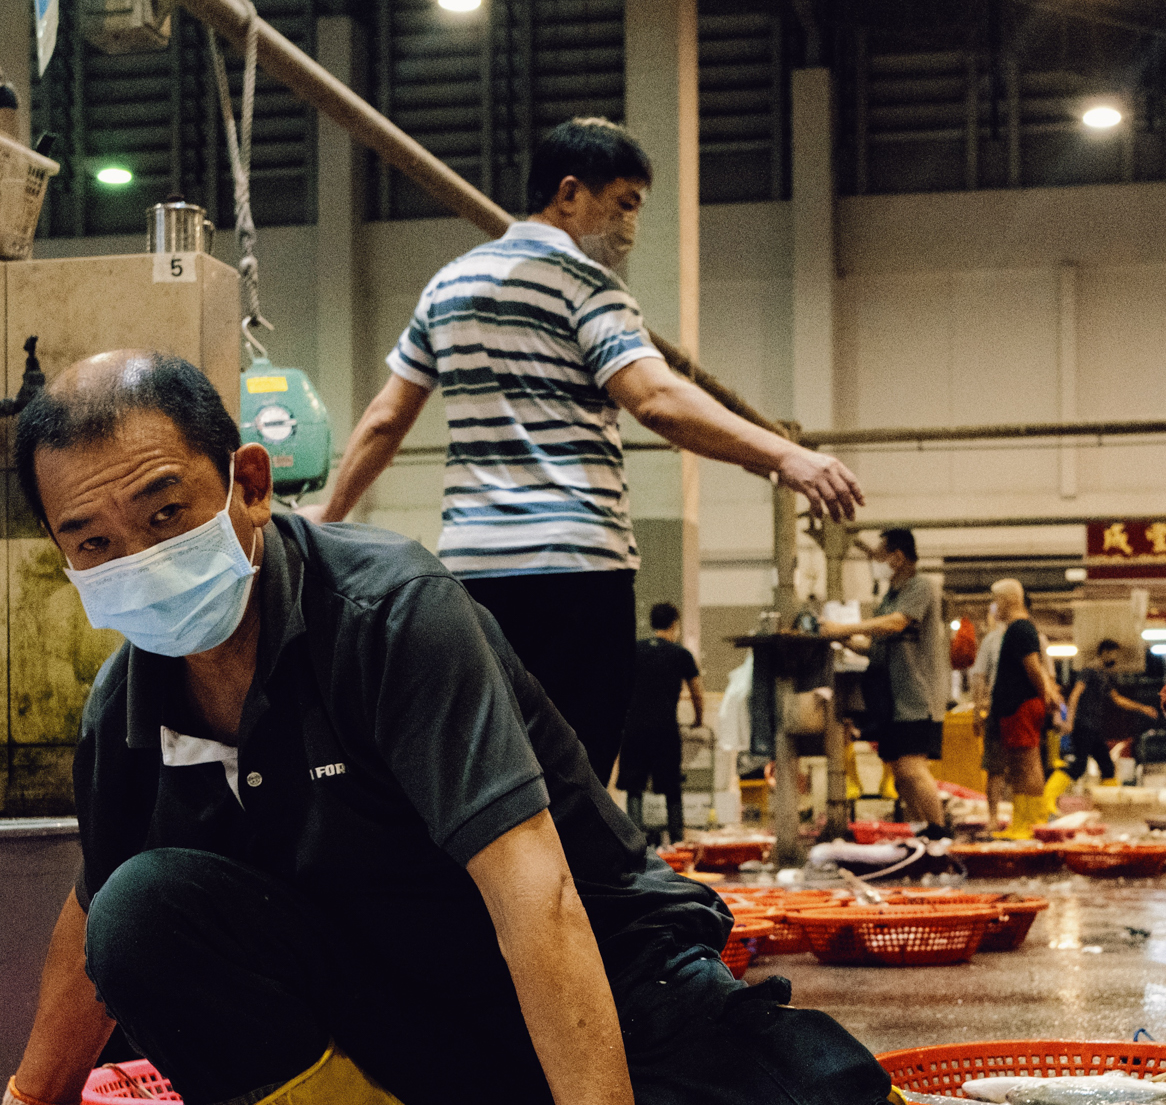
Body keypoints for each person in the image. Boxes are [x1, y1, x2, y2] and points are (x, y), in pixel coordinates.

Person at [0, 351, 981, 1105]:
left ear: (248, 484)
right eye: (95, 541)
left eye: (165, 514)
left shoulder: (389, 616)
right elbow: (93, 927)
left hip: (617, 993)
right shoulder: (127, 704)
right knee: (142, 909)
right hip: (412, 1027)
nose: (140, 557)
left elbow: (535, 895)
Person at [310, 117, 863, 781]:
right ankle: (577, 888)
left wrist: (332, 510)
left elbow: (384, 418)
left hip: (472, 574)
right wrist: (787, 456)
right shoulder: (587, 286)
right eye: (625, 203)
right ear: (569, 194)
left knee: (496, 778)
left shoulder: (447, 285)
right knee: (576, 779)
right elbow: (654, 398)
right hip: (575, 571)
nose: (632, 225)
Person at [841, 529, 949, 828]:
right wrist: (844, 640)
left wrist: (843, 628)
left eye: (879, 556)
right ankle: (920, 833)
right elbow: (878, 643)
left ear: (898, 557)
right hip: (892, 700)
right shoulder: (890, 596)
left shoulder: (921, 586)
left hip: (916, 698)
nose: (876, 562)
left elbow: (896, 623)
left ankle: (940, 834)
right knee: (901, 776)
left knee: (913, 768)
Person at [978, 578, 1065, 839]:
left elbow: (1033, 667)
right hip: (1017, 707)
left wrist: (1046, 695)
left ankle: (1029, 822)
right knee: (1021, 765)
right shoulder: (1019, 629)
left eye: (997, 601)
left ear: (1008, 600)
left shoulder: (1020, 629)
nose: (995, 607)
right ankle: (1024, 820)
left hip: (1021, 707)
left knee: (1026, 764)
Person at [617, 601, 703, 845]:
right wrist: (697, 721)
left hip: (634, 727)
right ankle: (677, 840)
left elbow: (617, 687)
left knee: (634, 786)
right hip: (665, 728)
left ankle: (634, 841)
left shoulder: (634, 651)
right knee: (671, 785)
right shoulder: (681, 654)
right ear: (675, 624)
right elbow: (697, 692)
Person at [1062, 639, 1156, 784]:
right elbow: (1075, 695)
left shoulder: (1104, 676)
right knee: (1078, 767)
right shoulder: (1089, 671)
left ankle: (1108, 802)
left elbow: (1117, 699)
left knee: (1107, 767)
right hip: (1083, 726)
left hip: (1094, 728)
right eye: (1114, 655)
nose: (1116, 659)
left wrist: (1142, 708)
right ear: (1104, 653)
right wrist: (1069, 721)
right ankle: (1047, 795)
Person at [966, 598, 1007, 825]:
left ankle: (999, 818)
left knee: (1000, 767)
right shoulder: (992, 639)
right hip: (1000, 710)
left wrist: (976, 710)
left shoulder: (993, 639)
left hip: (1003, 710)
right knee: (999, 766)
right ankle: (997, 817)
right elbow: (979, 675)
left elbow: (978, 676)